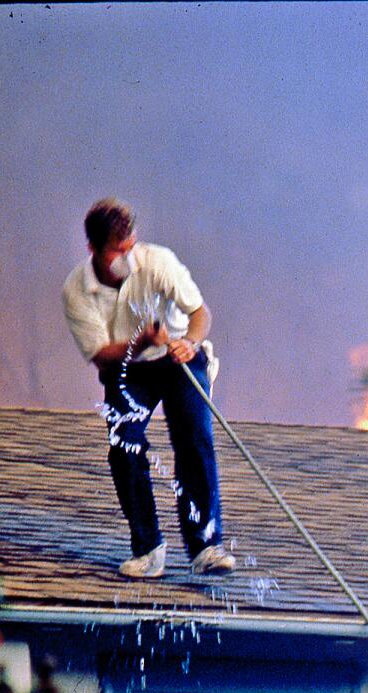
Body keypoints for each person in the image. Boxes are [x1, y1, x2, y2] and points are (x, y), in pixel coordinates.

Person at [62, 198, 235, 578]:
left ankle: (206, 547)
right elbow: (100, 355)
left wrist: (188, 341)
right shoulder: (77, 290)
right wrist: (140, 342)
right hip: (128, 368)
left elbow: (199, 313)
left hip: (178, 360)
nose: (126, 256)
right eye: (116, 250)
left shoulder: (158, 262)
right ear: (93, 248)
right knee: (124, 445)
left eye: (130, 245)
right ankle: (148, 548)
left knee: (194, 439)